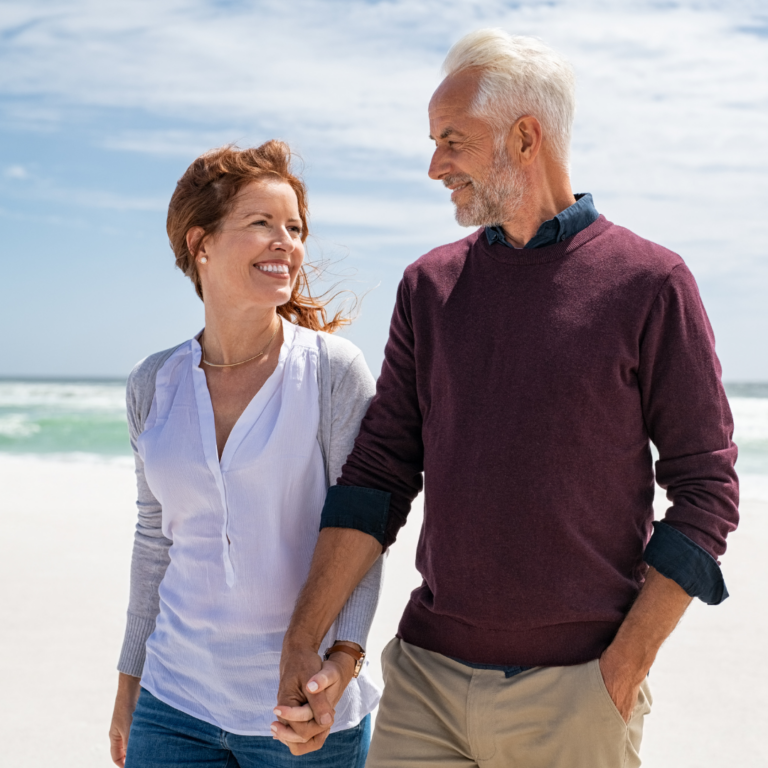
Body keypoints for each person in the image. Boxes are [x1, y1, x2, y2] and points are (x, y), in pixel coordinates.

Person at [272, 29, 739, 768]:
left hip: (577, 696)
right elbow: (378, 477)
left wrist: (622, 670)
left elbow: (706, 489)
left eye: (452, 141)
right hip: (425, 687)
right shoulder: (429, 287)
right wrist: (306, 641)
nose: (435, 167)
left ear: (526, 137)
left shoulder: (651, 283)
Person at [108, 141, 382, 768]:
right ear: (200, 243)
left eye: (295, 227)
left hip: (302, 711)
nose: (285, 241)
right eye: (261, 223)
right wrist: (130, 683)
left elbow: (363, 532)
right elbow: (154, 540)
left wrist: (342, 663)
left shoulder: (332, 371)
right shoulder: (152, 382)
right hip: (173, 701)